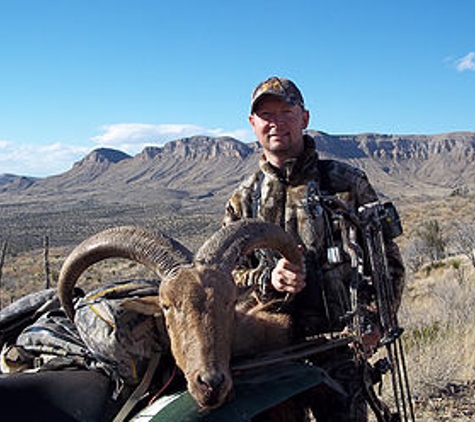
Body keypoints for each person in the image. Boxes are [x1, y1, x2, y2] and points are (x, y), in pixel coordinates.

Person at [223, 76, 405, 421]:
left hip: (341, 350)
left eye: (285, 112)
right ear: (252, 124)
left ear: (304, 118)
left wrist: (376, 321)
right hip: (268, 359)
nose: (276, 123)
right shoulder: (241, 201)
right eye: (266, 115)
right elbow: (226, 278)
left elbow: (389, 264)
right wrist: (267, 279)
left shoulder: (348, 183)